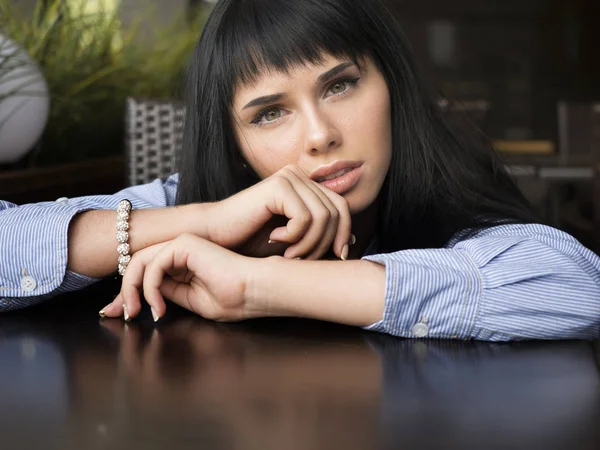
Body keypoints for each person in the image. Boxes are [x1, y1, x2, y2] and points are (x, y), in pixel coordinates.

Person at [1, 0, 599, 341]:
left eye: (340, 84)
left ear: (392, 83)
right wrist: (211, 219)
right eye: (269, 114)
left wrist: (257, 287)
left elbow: (579, 289)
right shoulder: (202, 199)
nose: (320, 135)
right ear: (233, 141)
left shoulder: (445, 196)